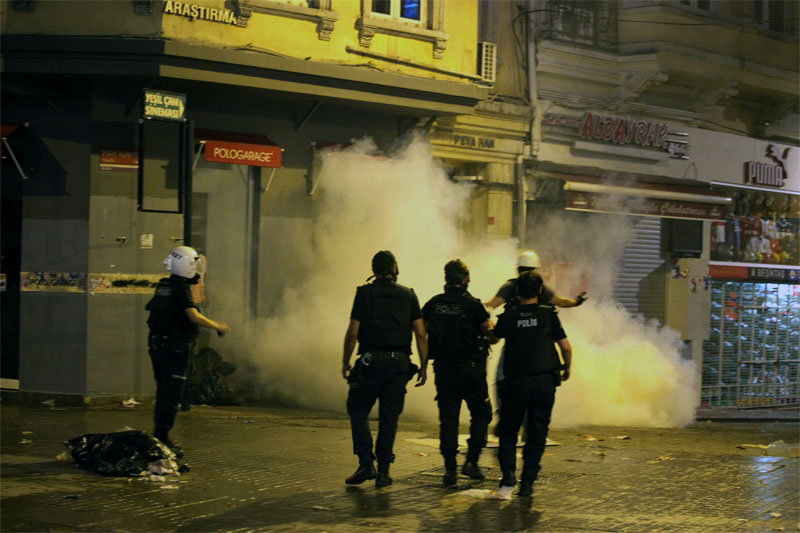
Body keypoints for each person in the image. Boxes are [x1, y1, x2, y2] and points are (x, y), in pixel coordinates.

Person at [342, 250, 428, 488]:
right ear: (394, 268)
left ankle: (365, 463)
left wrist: (346, 360)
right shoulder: (409, 295)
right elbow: (420, 333)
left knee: (358, 410)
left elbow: (352, 331)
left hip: (370, 362)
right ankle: (384, 472)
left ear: (374, 270)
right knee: (389, 418)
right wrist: (423, 365)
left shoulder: (364, 293)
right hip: (398, 365)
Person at [488, 270, 572, 499]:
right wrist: (567, 367)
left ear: (517, 292)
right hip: (544, 383)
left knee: (508, 431)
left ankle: (508, 479)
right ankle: (527, 483)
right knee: (536, 434)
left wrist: (487, 326)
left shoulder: (510, 314)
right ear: (541, 291)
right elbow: (565, 346)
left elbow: (494, 337)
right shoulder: (548, 314)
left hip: (515, 384)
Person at [145, 246, 228, 457]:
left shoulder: (164, 286)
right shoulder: (180, 288)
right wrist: (217, 326)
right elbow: (194, 317)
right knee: (171, 395)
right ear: (187, 266)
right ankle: (162, 440)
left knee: (164, 392)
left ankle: (159, 436)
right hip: (174, 348)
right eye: (194, 265)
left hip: (158, 345)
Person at [422, 259, 492, 486]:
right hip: (471, 371)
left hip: (443, 370)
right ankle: (471, 462)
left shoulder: (434, 304)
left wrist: (423, 364)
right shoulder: (473, 305)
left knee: (449, 419)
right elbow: (489, 330)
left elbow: (420, 331)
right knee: (481, 414)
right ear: (466, 278)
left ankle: (449, 470)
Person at [484, 250, 586, 311]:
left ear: (518, 269)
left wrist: (473, 307)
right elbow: (562, 302)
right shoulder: (541, 287)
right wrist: (576, 302)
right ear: (535, 270)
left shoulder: (509, 286)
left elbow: (490, 306)